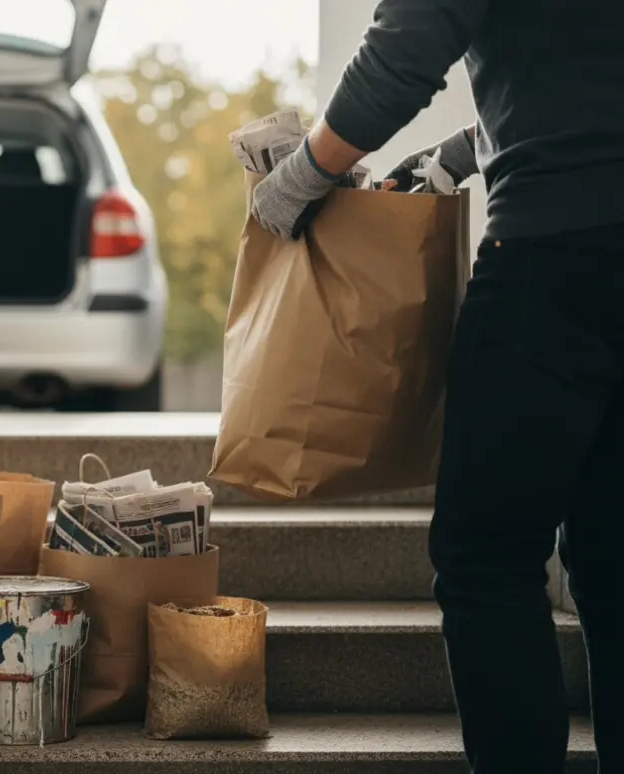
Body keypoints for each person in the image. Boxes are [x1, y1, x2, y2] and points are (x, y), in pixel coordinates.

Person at [251, 2, 624, 772]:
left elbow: (405, 51)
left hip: (556, 260)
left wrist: (299, 178)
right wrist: (471, 146)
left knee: (487, 556)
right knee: (614, 554)